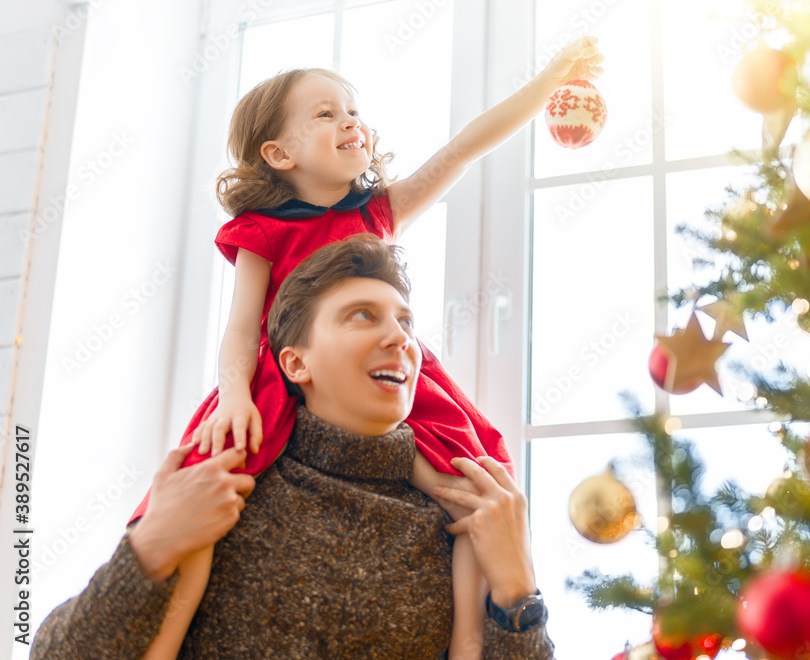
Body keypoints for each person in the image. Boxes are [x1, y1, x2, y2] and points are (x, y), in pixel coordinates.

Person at [121, 36, 601, 659]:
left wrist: (549, 83)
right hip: (276, 375)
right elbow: (242, 331)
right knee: (211, 482)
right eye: (325, 113)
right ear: (279, 152)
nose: (350, 120)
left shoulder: (378, 212)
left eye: (352, 109)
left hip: (379, 373)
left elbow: (463, 149)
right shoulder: (262, 233)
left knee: (473, 486)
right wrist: (235, 398)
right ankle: (167, 637)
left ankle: (465, 642)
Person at [31, 236, 556, 659]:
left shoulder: (462, 515)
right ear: (294, 363)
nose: (400, 338)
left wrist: (518, 594)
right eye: (362, 315)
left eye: (406, 321)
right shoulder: (225, 493)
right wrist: (148, 550)